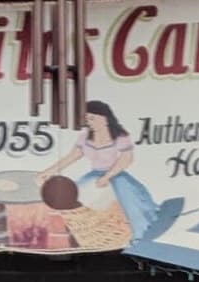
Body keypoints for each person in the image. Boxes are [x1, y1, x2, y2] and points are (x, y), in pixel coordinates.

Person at [37, 99, 158, 238]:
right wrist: (47, 172)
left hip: (116, 176)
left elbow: (126, 159)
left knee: (130, 205)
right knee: (72, 198)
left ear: (104, 118)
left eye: (92, 118)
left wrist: (108, 176)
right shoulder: (84, 137)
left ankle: (136, 235)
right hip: (94, 176)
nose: (89, 122)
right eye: (87, 119)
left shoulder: (120, 136)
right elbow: (72, 157)